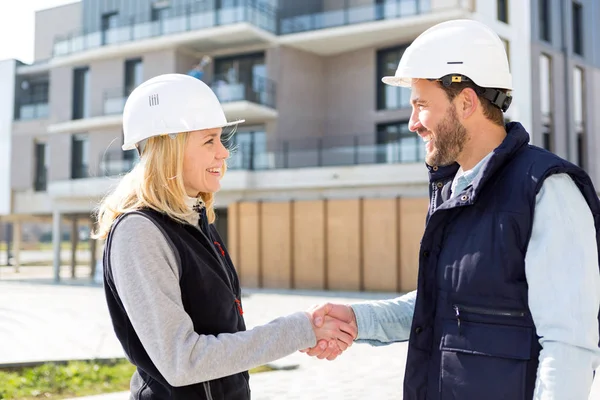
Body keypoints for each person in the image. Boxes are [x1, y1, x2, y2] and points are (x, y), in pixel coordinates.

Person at [302, 19, 600, 400]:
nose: (412, 124)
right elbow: (444, 303)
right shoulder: (454, 190)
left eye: (421, 105)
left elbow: (570, 345)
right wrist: (359, 320)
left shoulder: (547, 190)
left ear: (466, 102)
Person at [93, 73, 356, 399]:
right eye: (209, 141)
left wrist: (307, 329)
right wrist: (299, 329)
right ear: (168, 148)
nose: (224, 153)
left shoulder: (196, 221)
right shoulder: (140, 232)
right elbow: (182, 361)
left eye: (221, 139)